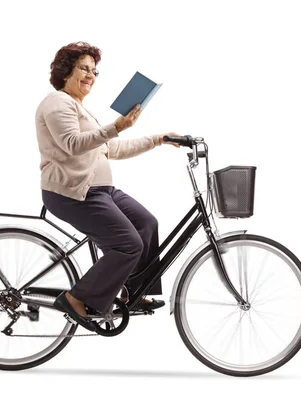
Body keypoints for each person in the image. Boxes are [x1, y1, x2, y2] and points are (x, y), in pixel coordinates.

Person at [35, 41, 181, 331]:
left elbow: (110, 149)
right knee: (128, 245)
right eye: (84, 68)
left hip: (101, 191)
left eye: (94, 71)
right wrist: (117, 126)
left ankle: (132, 294)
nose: (90, 75)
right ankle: (76, 298)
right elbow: (72, 144)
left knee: (147, 224)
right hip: (74, 193)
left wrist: (159, 139)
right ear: (66, 71)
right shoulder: (56, 102)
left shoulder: (82, 109)